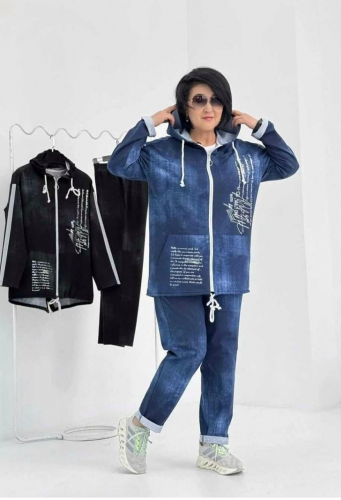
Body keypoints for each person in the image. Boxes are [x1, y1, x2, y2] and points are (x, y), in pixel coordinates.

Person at [108, 67, 300, 475]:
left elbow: (288, 164)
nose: (208, 107)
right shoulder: (160, 154)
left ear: (225, 106)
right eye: (198, 100)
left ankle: (214, 445)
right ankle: (140, 425)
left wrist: (260, 127)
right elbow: (120, 163)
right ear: (184, 107)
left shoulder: (246, 157)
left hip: (229, 271)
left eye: (215, 100)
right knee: (189, 350)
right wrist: (149, 123)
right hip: (177, 269)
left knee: (221, 358)